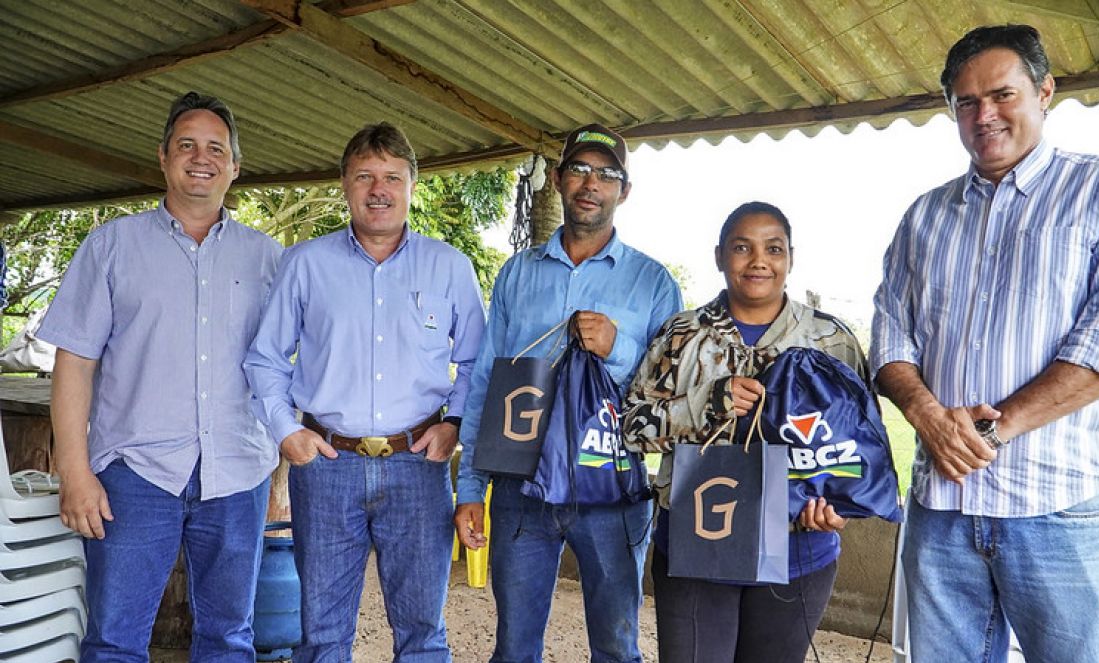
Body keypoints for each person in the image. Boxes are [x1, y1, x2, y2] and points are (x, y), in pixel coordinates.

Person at [870, 24, 1099, 663]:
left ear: (1044, 91)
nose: (986, 115)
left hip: (1062, 508)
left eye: (1002, 95)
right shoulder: (924, 217)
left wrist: (989, 433)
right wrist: (926, 415)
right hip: (943, 511)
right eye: (967, 103)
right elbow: (890, 338)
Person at [39, 91, 281, 661]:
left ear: (235, 167)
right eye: (187, 145)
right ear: (164, 157)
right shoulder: (111, 248)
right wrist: (74, 471)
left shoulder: (269, 258)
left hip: (238, 473)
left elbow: (288, 366)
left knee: (229, 638)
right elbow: (74, 363)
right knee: (115, 640)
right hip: (134, 476)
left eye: (215, 148)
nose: (201, 157)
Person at [243, 122, 485, 662]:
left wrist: (456, 425)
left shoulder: (449, 267)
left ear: (411, 186)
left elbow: (475, 364)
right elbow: (264, 358)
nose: (379, 189)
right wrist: (286, 432)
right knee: (322, 634)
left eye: (392, 177)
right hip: (327, 464)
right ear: (345, 186)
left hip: (418, 465)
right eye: (365, 176)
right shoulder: (305, 264)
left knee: (423, 630)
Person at [454, 123, 682, 663]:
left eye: (606, 174)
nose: (590, 183)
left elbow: (673, 394)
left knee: (616, 643)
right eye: (579, 169)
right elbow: (488, 376)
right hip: (519, 484)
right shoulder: (517, 273)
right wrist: (470, 486)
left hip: (610, 489)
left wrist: (618, 348)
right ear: (557, 179)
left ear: (624, 191)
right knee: (513, 645)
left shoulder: (652, 282)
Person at [621, 201, 864, 663]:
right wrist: (705, 403)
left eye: (773, 248)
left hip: (798, 550)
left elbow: (858, 449)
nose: (758, 261)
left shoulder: (831, 342)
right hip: (696, 544)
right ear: (719, 256)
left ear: (790, 257)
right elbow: (632, 428)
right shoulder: (682, 336)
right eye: (741, 247)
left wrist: (837, 505)